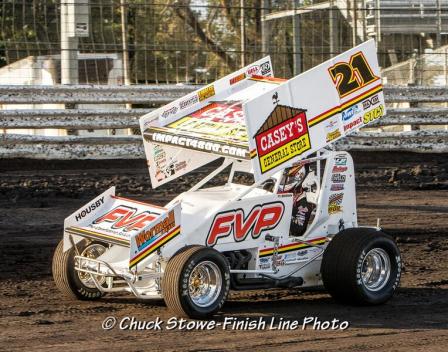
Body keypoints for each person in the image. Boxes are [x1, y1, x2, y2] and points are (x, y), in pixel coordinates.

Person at [278, 164, 313, 236]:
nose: (284, 180)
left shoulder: (304, 200)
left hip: (289, 237)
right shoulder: (278, 190)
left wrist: (282, 215)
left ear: (298, 178)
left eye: (287, 178)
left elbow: (299, 228)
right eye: (283, 177)